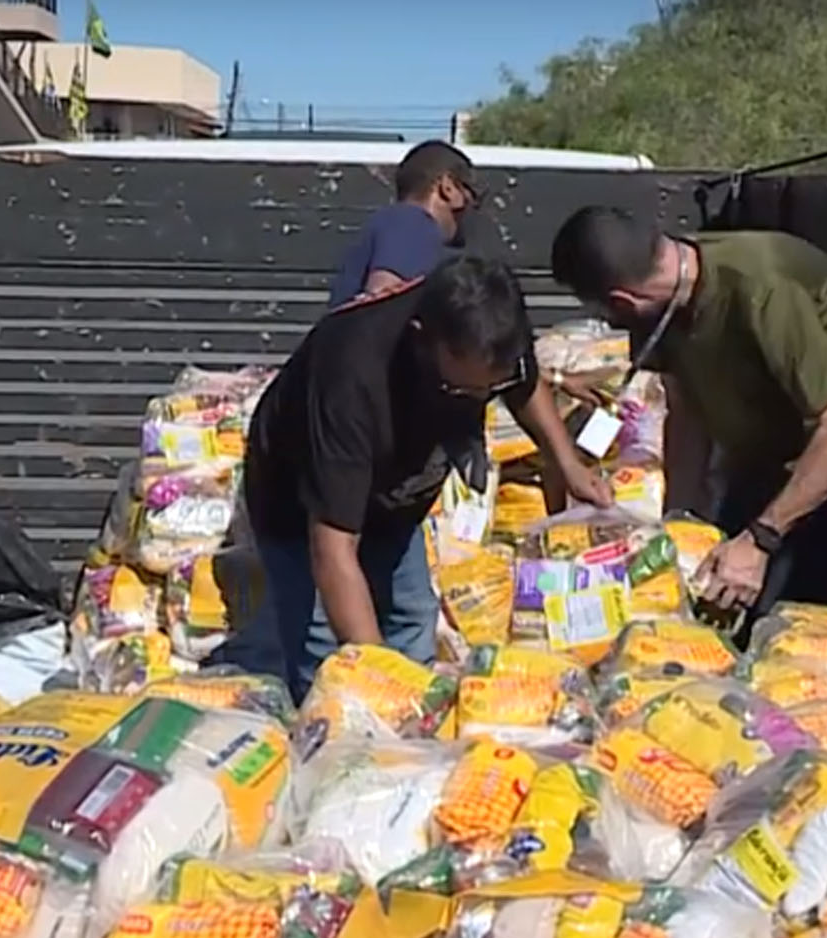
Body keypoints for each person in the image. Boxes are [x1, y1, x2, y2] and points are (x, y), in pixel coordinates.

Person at [245, 255, 612, 701]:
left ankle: (416, 730)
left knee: (412, 613)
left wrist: (568, 464)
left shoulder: (489, 330)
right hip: (301, 501)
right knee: (323, 641)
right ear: (424, 342)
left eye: (488, 389)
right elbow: (333, 553)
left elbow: (522, 381)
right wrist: (379, 684)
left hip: (395, 492)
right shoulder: (351, 378)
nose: (478, 400)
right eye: (464, 391)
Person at [548, 205, 827, 623]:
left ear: (622, 300)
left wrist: (760, 540)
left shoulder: (762, 289)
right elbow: (686, 413)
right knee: (712, 594)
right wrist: (675, 523)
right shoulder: (660, 306)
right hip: (760, 453)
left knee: (781, 617)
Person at [327, 140, 480, 307]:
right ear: (448, 187)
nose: (473, 206)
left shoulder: (393, 222)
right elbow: (382, 301)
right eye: (471, 192)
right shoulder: (414, 221)